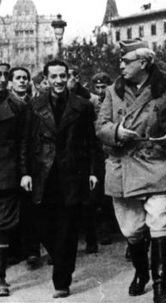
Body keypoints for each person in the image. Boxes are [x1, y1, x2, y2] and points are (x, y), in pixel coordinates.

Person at [96, 39, 166, 303]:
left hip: (158, 164)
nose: (121, 66)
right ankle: (141, 273)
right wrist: (116, 132)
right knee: (132, 231)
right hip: (122, 165)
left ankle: (161, 289)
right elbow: (100, 125)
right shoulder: (112, 91)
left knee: (159, 224)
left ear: (144, 62)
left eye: (126, 61)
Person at [21, 59, 98, 298]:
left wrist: (93, 171)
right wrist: (24, 172)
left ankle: (62, 280)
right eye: (53, 77)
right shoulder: (34, 106)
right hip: (43, 172)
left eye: (62, 76)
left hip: (72, 173)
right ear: (46, 79)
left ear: (68, 77)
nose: (58, 81)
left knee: (67, 226)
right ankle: (63, 259)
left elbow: (91, 141)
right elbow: (25, 142)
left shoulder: (82, 105)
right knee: (43, 225)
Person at [8, 66, 43, 270]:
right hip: (11, 162)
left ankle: (32, 250)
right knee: (13, 208)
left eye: (25, 78)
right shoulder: (6, 103)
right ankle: (15, 250)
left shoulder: (34, 103)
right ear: (11, 82)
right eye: (18, 78)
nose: (22, 81)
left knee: (31, 208)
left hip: (33, 161)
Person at [0, 62, 30, 296]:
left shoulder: (15, 106)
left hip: (6, 174)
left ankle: (0, 278)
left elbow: (23, 143)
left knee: (3, 227)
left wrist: (23, 172)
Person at [90, 72, 115, 246]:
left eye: (103, 87)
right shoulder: (91, 105)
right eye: (97, 87)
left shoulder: (115, 102)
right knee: (97, 194)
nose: (100, 90)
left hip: (111, 152)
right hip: (96, 153)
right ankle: (102, 229)